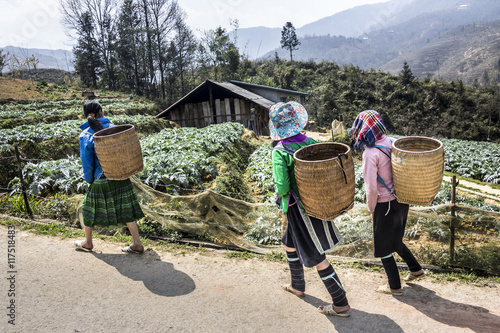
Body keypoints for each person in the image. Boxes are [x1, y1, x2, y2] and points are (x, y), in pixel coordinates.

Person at [270, 101, 350, 317]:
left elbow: (283, 186)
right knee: (289, 242)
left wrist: (279, 196)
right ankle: (297, 286)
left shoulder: (280, 151)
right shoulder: (311, 143)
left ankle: (341, 304)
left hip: (299, 209)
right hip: (317, 201)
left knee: (316, 255)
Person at [349, 110, 425, 296]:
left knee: (383, 245)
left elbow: (371, 188)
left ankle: (394, 287)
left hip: (385, 204)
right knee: (395, 238)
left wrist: (371, 208)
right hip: (401, 200)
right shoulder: (391, 142)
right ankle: (416, 269)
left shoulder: (370, 153)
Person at [74, 100, 145, 254]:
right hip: (120, 176)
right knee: (126, 208)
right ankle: (137, 243)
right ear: (100, 112)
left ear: (87, 115)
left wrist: (89, 180)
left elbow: (87, 162)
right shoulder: (114, 129)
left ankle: (88, 242)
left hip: (101, 179)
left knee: (88, 209)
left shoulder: (85, 135)